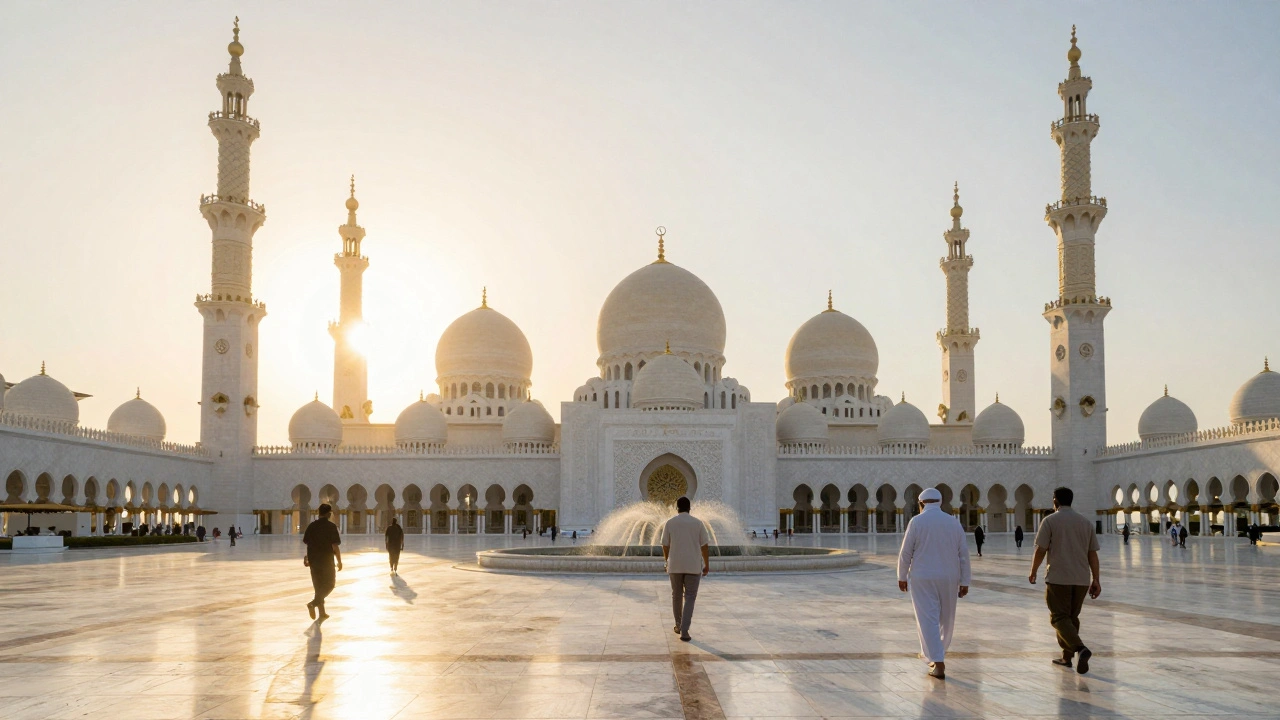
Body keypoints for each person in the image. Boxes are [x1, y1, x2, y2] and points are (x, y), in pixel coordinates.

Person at [897, 487, 971, 680]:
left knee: (927, 618)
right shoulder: (953, 522)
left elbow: (906, 553)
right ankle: (936, 654)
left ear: (921, 504)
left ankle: (937, 661)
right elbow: (963, 554)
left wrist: (902, 576)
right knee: (946, 618)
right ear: (940, 503)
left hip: (922, 577)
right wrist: (965, 581)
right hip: (949, 576)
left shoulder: (916, 522)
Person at [1029, 487, 1101, 675]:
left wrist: (1033, 570)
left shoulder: (1050, 521)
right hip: (1082, 579)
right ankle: (1067, 657)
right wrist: (1096, 579)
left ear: (1055, 501)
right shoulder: (1085, 523)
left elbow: (1041, 549)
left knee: (1059, 617)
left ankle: (1080, 648)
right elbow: (1092, 554)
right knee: (1071, 618)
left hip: (1058, 578)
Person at [661, 496, 710, 642]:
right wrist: (706, 563)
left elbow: (665, 544)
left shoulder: (670, 523)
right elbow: (705, 545)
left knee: (676, 595)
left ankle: (678, 624)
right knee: (690, 597)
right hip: (693, 566)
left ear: (677, 508)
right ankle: (685, 630)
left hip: (675, 565)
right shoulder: (698, 523)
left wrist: (667, 560)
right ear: (690, 508)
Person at [303, 503, 343, 620]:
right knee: (330, 585)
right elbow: (335, 546)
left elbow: (308, 543)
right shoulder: (331, 527)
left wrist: (307, 558)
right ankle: (313, 604)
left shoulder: (311, 526)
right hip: (326, 561)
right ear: (329, 514)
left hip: (314, 562)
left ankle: (322, 613)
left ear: (319, 513)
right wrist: (339, 561)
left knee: (318, 587)